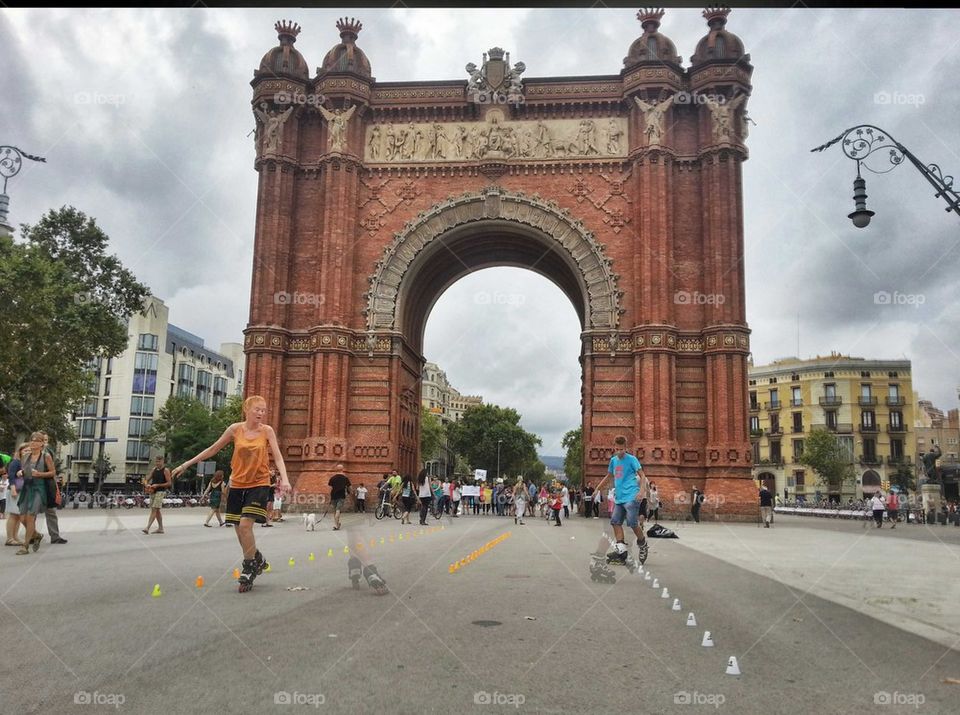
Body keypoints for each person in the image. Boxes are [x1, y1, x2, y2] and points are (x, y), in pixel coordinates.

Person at [172, 395, 291, 592]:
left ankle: (249, 567)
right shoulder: (235, 429)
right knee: (239, 530)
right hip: (237, 483)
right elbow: (213, 449)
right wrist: (187, 464)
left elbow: (278, 458)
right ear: (247, 409)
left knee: (245, 526)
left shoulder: (267, 431)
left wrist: (284, 479)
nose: (261, 413)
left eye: (263, 410)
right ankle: (256, 557)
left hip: (259, 483)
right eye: (257, 409)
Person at [595, 435, 649, 565]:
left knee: (631, 522)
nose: (619, 452)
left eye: (621, 449)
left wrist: (642, 491)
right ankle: (621, 551)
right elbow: (609, 475)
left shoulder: (632, 459)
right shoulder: (613, 461)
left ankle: (642, 544)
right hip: (619, 498)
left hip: (632, 495)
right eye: (617, 449)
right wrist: (597, 489)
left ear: (626, 448)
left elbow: (642, 475)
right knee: (615, 521)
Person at [16, 433, 55, 555]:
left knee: (30, 516)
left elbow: (53, 472)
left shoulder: (46, 456)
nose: (33, 443)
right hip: (27, 488)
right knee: (22, 518)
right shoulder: (25, 456)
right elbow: (24, 470)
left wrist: (40, 474)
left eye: (36, 441)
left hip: (39, 489)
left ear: (42, 443)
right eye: (32, 441)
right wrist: (20, 472)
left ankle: (25, 545)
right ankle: (36, 535)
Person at [39, 432, 67, 544]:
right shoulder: (30, 452)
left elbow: (53, 470)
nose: (45, 442)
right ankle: (32, 535)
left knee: (51, 511)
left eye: (46, 440)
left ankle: (54, 536)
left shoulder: (48, 452)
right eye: (42, 440)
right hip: (35, 485)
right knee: (31, 512)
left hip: (48, 484)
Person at [142, 455, 172, 534]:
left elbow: (169, 483)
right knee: (157, 510)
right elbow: (146, 480)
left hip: (160, 492)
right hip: (152, 491)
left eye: (159, 461)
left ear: (163, 461)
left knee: (154, 509)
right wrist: (146, 484)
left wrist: (158, 485)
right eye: (156, 461)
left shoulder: (166, 470)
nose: (157, 463)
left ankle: (147, 527)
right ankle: (161, 528)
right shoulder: (154, 470)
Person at [328, 464, 351, 531]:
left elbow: (330, 488)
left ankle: (337, 524)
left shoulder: (332, 478)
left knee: (335, 510)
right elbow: (349, 487)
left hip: (333, 496)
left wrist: (331, 496)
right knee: (338, 510)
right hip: (341, 496)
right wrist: (350, 491)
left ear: (336, 469)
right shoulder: (345, 478)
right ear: (342, 469)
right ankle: (336, 525)